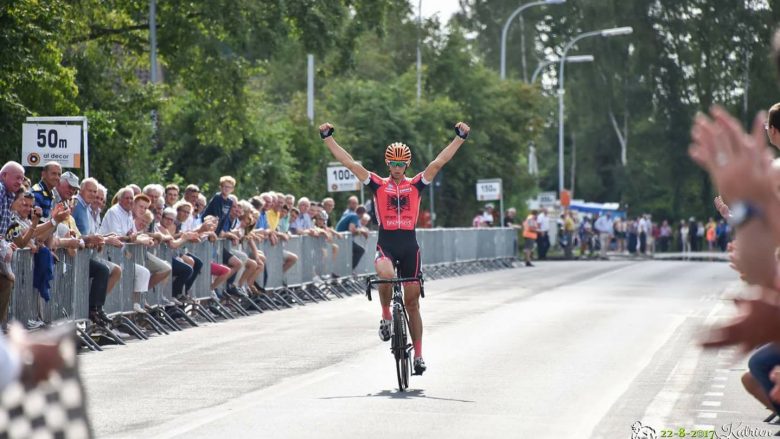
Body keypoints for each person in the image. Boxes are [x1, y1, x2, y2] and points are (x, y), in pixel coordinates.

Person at [320, 120, 471, 375]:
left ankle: (419, 356)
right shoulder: (378, 184)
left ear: (407, 165)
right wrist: (327, 138)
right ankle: (386, 315)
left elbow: (438, 162)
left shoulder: (416, 185)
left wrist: (459, 138)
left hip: (410, 245)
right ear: (387, 163)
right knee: (387, 276)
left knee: (413, 305)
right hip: (387, 243)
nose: (397, 167)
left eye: (401, 164)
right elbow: (350, 164)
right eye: (393, 163)